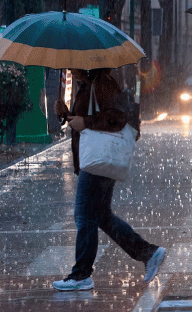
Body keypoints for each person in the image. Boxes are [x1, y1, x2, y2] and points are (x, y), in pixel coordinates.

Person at [52, 68, 166, 291]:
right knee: (101, 216)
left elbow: (118, 117)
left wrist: (86, 121)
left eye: (74, 65)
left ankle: (82, 275)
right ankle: (148, 253)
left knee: (84, 214)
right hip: (96, 159)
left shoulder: (101, 84)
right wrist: (64, 113)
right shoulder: (87, 85)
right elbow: (82, 120)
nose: (71, 69)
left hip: (98, 160)